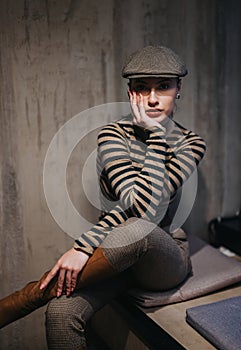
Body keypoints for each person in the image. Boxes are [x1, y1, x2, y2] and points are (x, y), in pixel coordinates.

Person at [0, 45, 206, 349]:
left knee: (140, 228)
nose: (151, 98)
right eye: (141, 88)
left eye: (163, 86)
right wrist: (90, 245)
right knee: (60, 312)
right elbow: (130, 200)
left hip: (162, 255)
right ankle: (35, 299)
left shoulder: (190, 143)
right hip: (115, 252)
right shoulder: (112, 135)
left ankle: (22, 301)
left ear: (179, 89)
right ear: (129, 91)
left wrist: (84, 245)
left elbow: (147, 211)